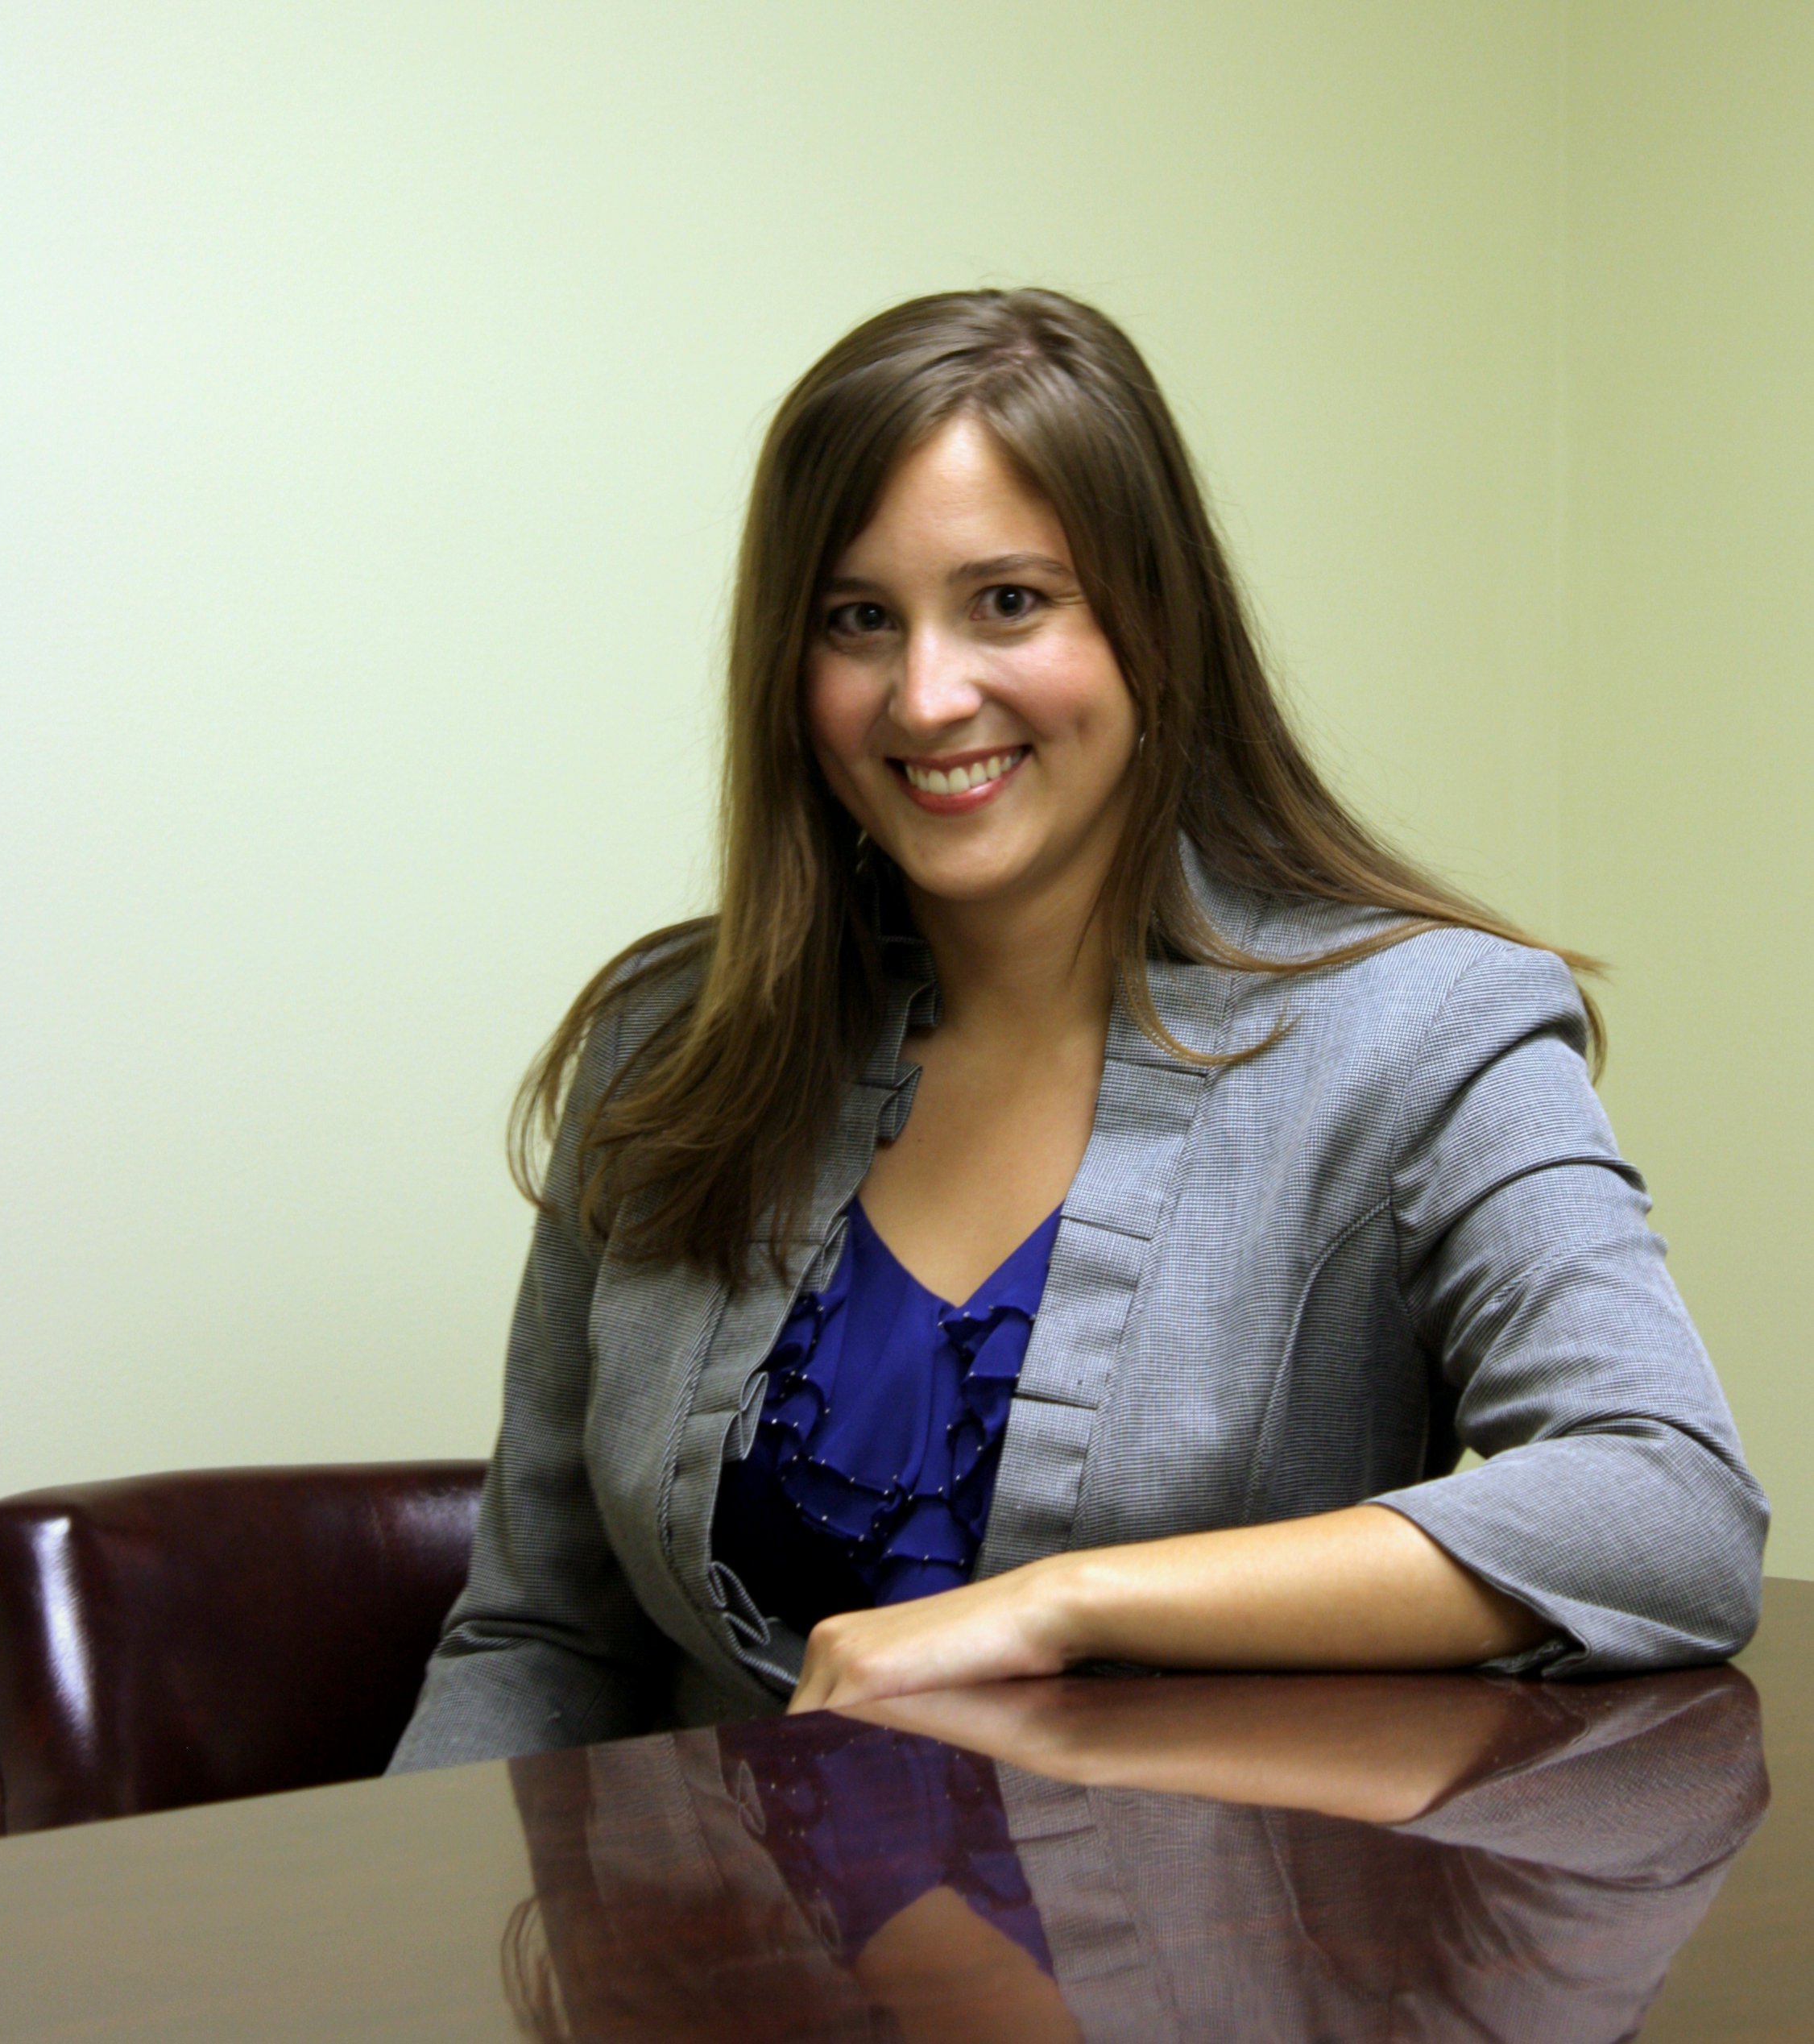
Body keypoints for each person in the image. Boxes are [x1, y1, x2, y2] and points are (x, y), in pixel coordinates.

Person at [391, 288, 1766, 1773]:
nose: (926, 696)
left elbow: (1671, 1503)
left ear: (1152, 625)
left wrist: (1060, 1607)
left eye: (1009, 602)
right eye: (858, 619)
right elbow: (539, 1640)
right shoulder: (670, 1047)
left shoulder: (1427, 1029)